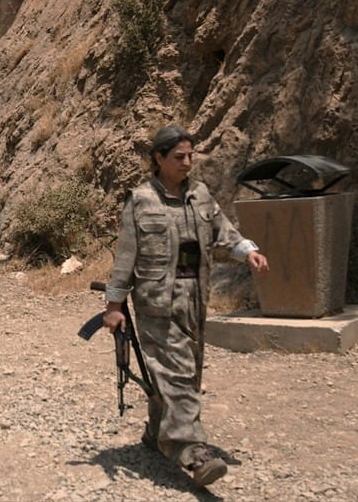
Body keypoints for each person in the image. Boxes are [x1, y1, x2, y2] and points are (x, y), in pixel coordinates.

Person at [103, 125, 270, 488]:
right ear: (159, 158)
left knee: (183, 373)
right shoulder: (141, 200)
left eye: (190, 156)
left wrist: (248, 252)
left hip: (194, 299)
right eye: (179, 157)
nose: (187, 163)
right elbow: (125, 257)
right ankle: (192, 452)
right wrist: (114, 305)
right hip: (156, 305)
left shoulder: (200, 195)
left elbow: (223, 231)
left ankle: (156, 432)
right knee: (177, 374)